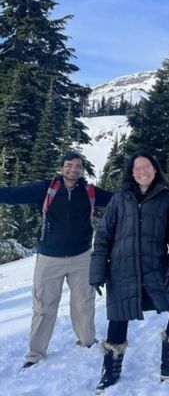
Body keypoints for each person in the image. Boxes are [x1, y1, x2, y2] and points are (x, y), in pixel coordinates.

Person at [90, 151, 169, 392]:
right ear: (131, 173)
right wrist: (97, 272)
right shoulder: (119, 200)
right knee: (118, 320)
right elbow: (103, 236)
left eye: (146, 166)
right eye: (137, 168)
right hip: (122, 272)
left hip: (156, 270)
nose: (142, 171)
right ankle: (110, 373)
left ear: (155, 169)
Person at [0, 151, 113, 369]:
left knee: (84, 303)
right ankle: (35, 354)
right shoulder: (46, 189)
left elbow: (117, 198)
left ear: (82, 170)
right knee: (43, 306)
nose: (73, 169)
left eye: (78, 166)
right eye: (69, 165)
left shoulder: (89, 192)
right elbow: (13, 194)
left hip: (81, 257)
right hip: (49, 258)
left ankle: (87, 343)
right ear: (61, 168)